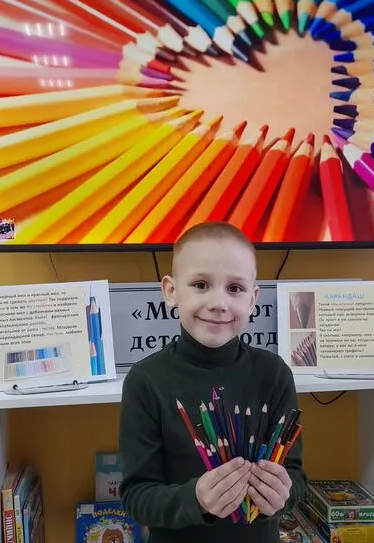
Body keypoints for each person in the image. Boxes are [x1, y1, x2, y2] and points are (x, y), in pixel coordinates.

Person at [119, 221, 307, 543]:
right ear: (171, 291)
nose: (219, 302)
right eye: (201, 284)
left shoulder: (274, 373)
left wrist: (283, 495)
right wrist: (196, 499)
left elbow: (296, 476)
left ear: (252, 299)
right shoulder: (145, 380)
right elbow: (137, 497)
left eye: (235, 288)